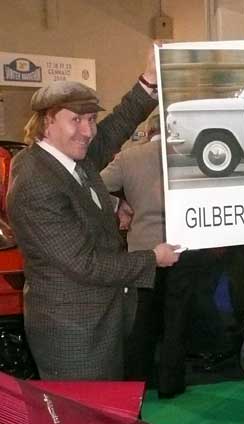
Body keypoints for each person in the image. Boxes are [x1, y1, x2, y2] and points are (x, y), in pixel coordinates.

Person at [6, 53, 180, 381]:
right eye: (76, 120)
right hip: (74, 333)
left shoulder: (65, 158)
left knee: (106, 406)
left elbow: (114, 128)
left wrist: (149, 80)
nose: (87, 131)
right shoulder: (36, 182)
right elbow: (85, 264)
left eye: (91, 119)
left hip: (97, 321)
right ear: (47, 122)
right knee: (86, 411)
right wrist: (153, 257)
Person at [101, 115, 238, 398]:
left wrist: (120, 203)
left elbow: (95, 187)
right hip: (181, 248)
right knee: (176, 318)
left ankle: (136, 384)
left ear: (147, 131)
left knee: (142, 320)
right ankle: (170, 383)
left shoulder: (129, 158)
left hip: (143, 250)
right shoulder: (189, 158)